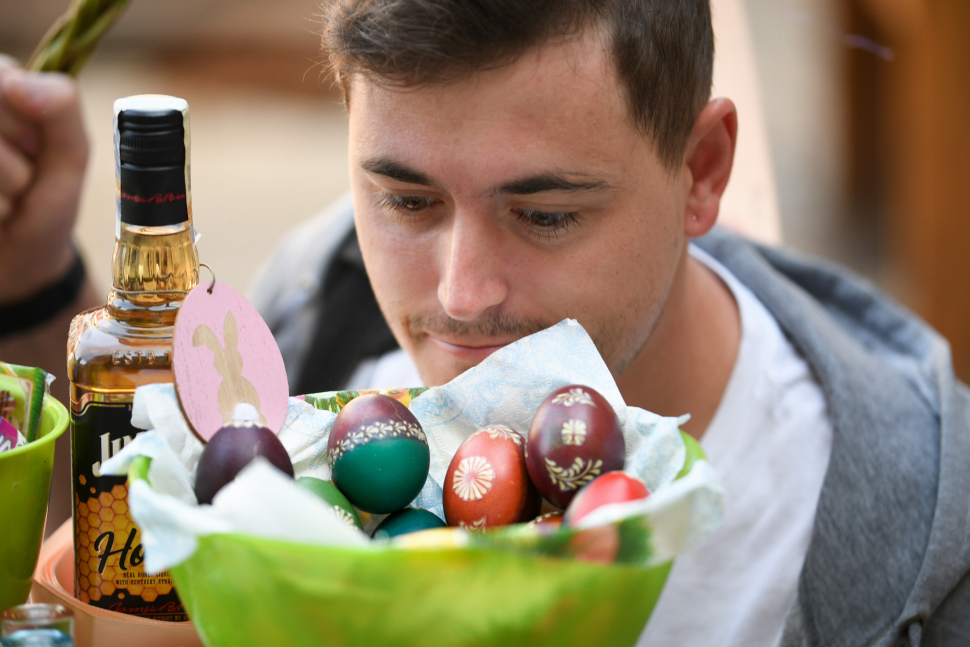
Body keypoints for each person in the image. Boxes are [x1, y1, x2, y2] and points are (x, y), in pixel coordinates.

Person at [1, 1, 968, 644]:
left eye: (546, 214)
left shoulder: (929, 542)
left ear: (701, 171)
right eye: (406, 202)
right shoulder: (315, 316)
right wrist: (36, 278)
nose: (462, 295)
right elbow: (116, 542)